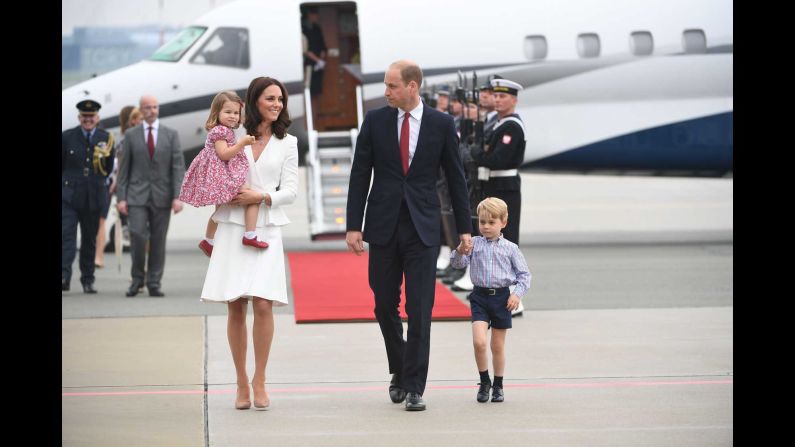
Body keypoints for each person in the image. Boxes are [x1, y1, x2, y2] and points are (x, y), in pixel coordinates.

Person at [346, 60, 472, 411]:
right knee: (384, 304)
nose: (385, 92)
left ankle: (415, 385)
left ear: (412, 86)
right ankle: (400, 368)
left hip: (423, 228)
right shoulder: (375, 121)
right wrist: (353, 225)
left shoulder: (441, 124)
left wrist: (465, 229)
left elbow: (456, 178)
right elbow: (359, 175)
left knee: (420, 309)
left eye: (391, 86)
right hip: (384, 226)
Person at [200, 77, 298, 411]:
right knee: (235, 304)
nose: (277, 104)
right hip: (231, 224)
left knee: (264, 304)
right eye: (271, 98)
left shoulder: (288, 142)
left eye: (281, 100)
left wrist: (262, 195)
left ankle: (260, 379)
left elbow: (291, 191)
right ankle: (241, 381)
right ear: (254, 100)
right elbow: (212, 169)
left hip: (266, 227)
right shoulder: (230, 136)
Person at [449, 197, 531, 403]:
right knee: (479, 342)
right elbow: (457, 264)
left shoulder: (511, 248)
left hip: (502, 298)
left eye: (491, 222)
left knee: (497, 346)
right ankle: (484, 381)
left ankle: (499, 384)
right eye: (482, 222)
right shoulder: (474, 244)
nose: (485, 227)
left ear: (503, 222)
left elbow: (524, 276)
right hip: (479, 297)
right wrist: (460, 249)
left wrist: (516, 294)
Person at [178, 91, 265, 258]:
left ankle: (208, 240)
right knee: (252, 197)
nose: (233, 116)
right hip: (221, 175)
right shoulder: (220, 131)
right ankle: (250, 234)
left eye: (235, 113)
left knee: (220, 211)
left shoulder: (225, 130)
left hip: (219, 173)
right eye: (228, 112)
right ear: (216, 112)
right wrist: (242, 143)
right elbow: (224, 154)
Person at [116, 95, 186, 297]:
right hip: (136, 195)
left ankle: (154, 282)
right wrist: (121, 197)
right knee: (137, 235)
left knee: (158, 240)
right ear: (141, 109)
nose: (151, 111)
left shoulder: (171, 134)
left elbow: (177, 167)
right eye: (147, 107)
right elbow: (124, 170)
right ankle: (137, 279)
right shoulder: (131, 135)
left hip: (163, 196)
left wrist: (177, 196)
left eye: (155, 107)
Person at [470, 78, 527, 316]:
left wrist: (479, 156)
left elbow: (499, 159)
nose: (498, 100)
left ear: (513, 100)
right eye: (496, 96)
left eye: (503, 97)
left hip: (505, 186)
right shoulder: (498, 123)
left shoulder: (512, 126)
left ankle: (516, 298)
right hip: (494, 184)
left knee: (507, 243)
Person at [62, 99, 115, 293]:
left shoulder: (106, 138)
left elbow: (107, 169)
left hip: (93, 196)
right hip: (69, 196)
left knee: (89, 240)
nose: (88, 120)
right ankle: (64, 276)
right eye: (84, 117)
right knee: (66, 237)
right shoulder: (67, 137)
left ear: (97, 118)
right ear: (79, 117)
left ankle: (87, 279)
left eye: (91, 117)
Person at [301, 7, 327, 115]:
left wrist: (321, 59)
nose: (316, 17)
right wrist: (317, 60)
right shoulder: (302, 28)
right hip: (308, 65)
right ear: (309, 15)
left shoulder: (317, 28)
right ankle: (308, 118)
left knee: (316, 92)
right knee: (308, 91)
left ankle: (315, 116)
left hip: (318, 66)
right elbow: (304, 49)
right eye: (314, 14)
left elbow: (323, 45)